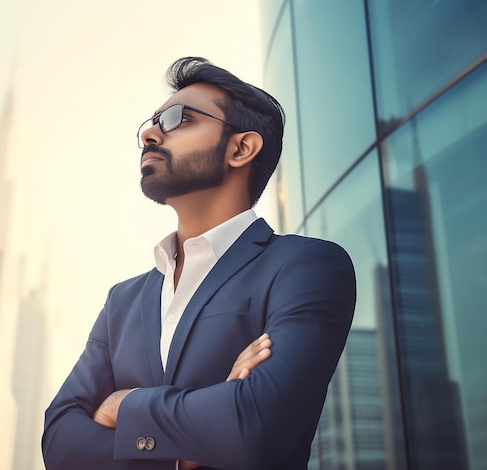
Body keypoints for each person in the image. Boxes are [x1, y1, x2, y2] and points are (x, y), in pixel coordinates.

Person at [42, 57, 356, 470]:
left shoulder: (306, 266)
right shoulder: (123, 301)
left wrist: (120, 407)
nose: (151, 134)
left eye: (178, 119)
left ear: (241, 148)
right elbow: (61, 444)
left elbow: (253, 427)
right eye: (151, 123)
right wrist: (192, 445)